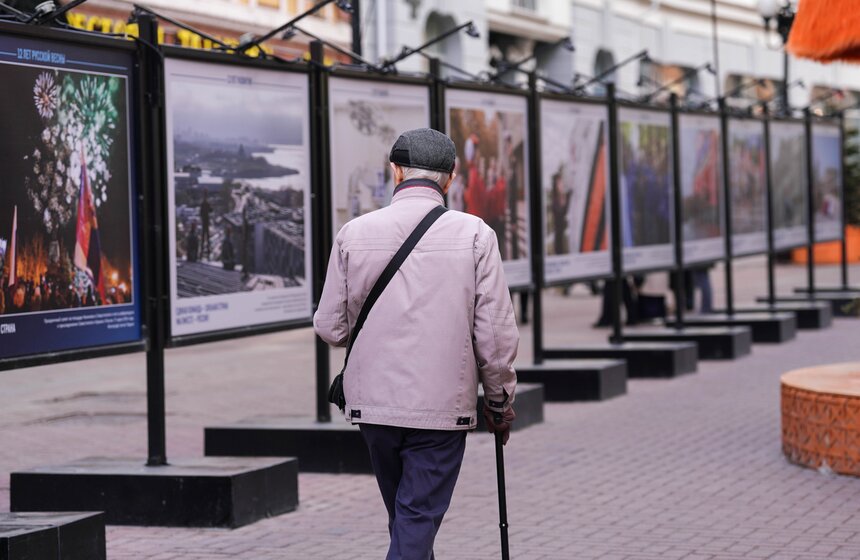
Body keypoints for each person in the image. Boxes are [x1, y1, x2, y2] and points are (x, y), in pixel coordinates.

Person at [314, 128, 518, 560]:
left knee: (407, 520)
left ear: (395, 171)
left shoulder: (354, 233)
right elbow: (496, 336)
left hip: (374, 407)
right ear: (452, 177)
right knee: (415, 520)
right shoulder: (476, 235)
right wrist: (499, 402)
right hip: (441, 408)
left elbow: (331, 328)